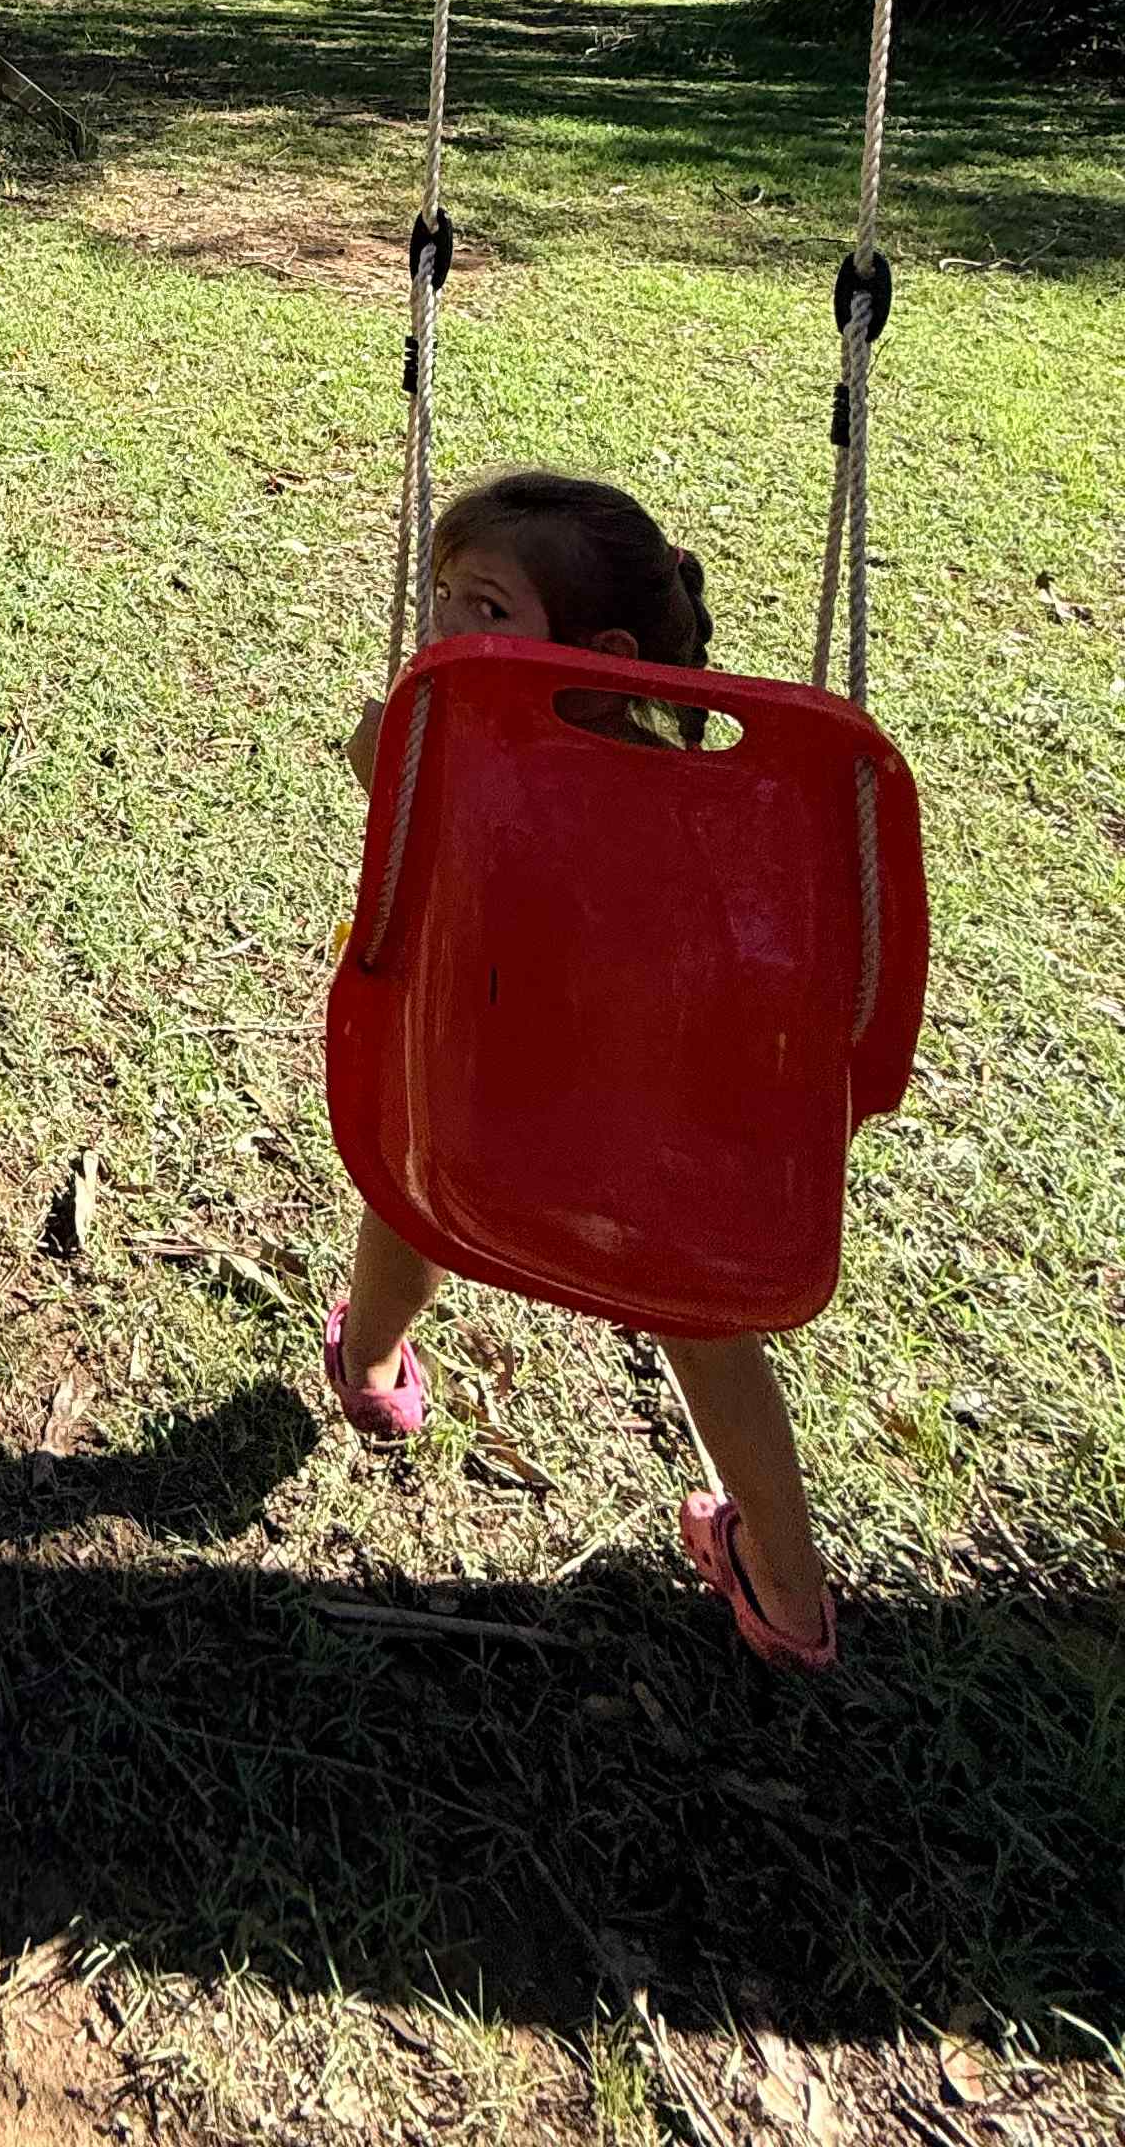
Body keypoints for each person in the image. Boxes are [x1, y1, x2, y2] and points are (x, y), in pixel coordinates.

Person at [330, 470, 839, 1674]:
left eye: (486, 611)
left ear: (603, 652)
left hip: (474, 1117)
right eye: (442, 596)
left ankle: (369, 1366)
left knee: (407, 1195)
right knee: (706, 1330)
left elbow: (367, 758)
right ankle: (791, 1591)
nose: (446, 631)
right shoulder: (719, 808)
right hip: (652, 1154)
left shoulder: (449, 763)